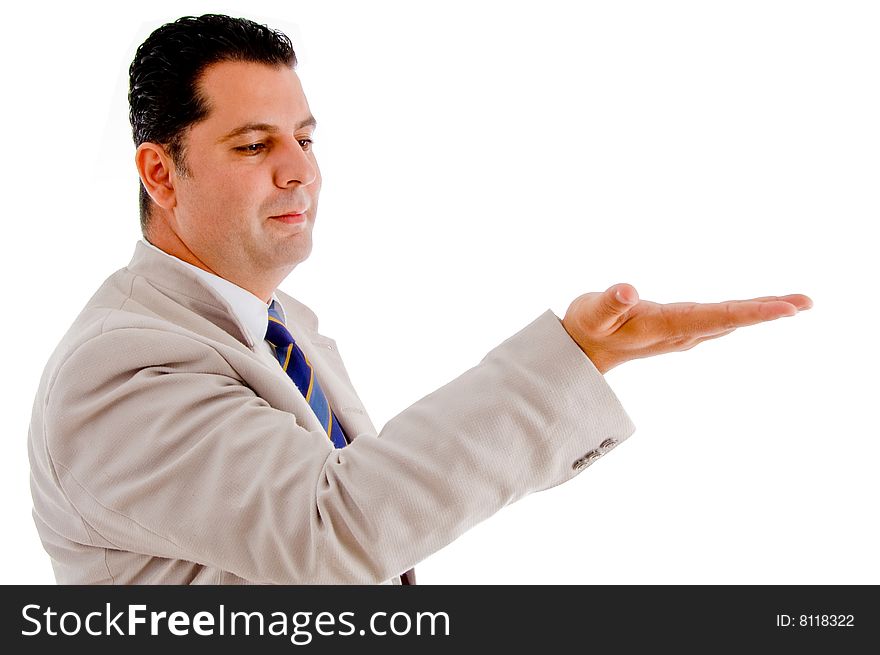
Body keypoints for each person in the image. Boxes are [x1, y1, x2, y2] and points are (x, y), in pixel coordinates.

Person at [27, 14, 812, 585]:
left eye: (305, 137)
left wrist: (582, 363)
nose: (301, 170)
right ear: (160, 174)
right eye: (255, 144)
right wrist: (574, 358)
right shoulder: (124, 367)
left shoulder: (278, 330)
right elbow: (335, 531)